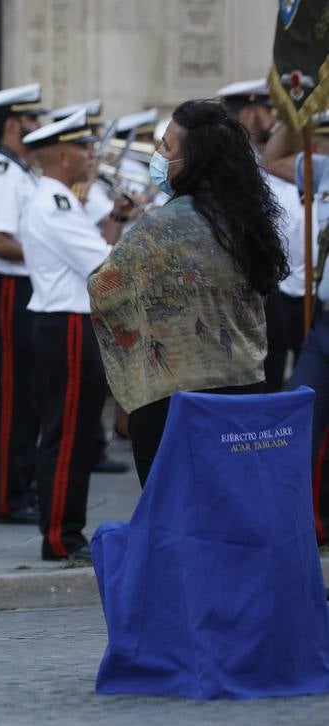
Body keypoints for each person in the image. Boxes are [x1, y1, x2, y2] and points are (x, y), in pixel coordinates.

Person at [97, 99, 283, 489]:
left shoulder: (159, 229)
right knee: (230, 507)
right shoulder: (247, 219)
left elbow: (103, 287)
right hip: (242, 389)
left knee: (174, 511)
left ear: (193, 160)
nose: (158, 155)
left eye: (167, 148)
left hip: (174, 399)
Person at [19, 109, 122, 562]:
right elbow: (102, 265)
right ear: (62, 154)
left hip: (68, 323)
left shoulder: (62, 198)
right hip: (67, 325)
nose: (91, 155)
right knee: (68, 435)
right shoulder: (55, 204)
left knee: (75, 432)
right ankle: (61, 535)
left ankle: (64, 530)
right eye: (83, 147)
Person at [0, 83, 46, 525]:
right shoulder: (0, 173)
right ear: (15, 124)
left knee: (31, 394)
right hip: (6, 288)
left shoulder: (21, 171)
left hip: (24, 286)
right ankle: (8, 497)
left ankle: (24, 483)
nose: (40, 127)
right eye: (33, 120)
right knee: (16, 394)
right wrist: (46, 250)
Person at [218, 80, 302, 390]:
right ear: (249, 112)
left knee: (278, 367)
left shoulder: (264, 155)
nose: (275, 119)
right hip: (252, 284)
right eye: (269, 110)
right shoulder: (232, 161)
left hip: (284, 283)